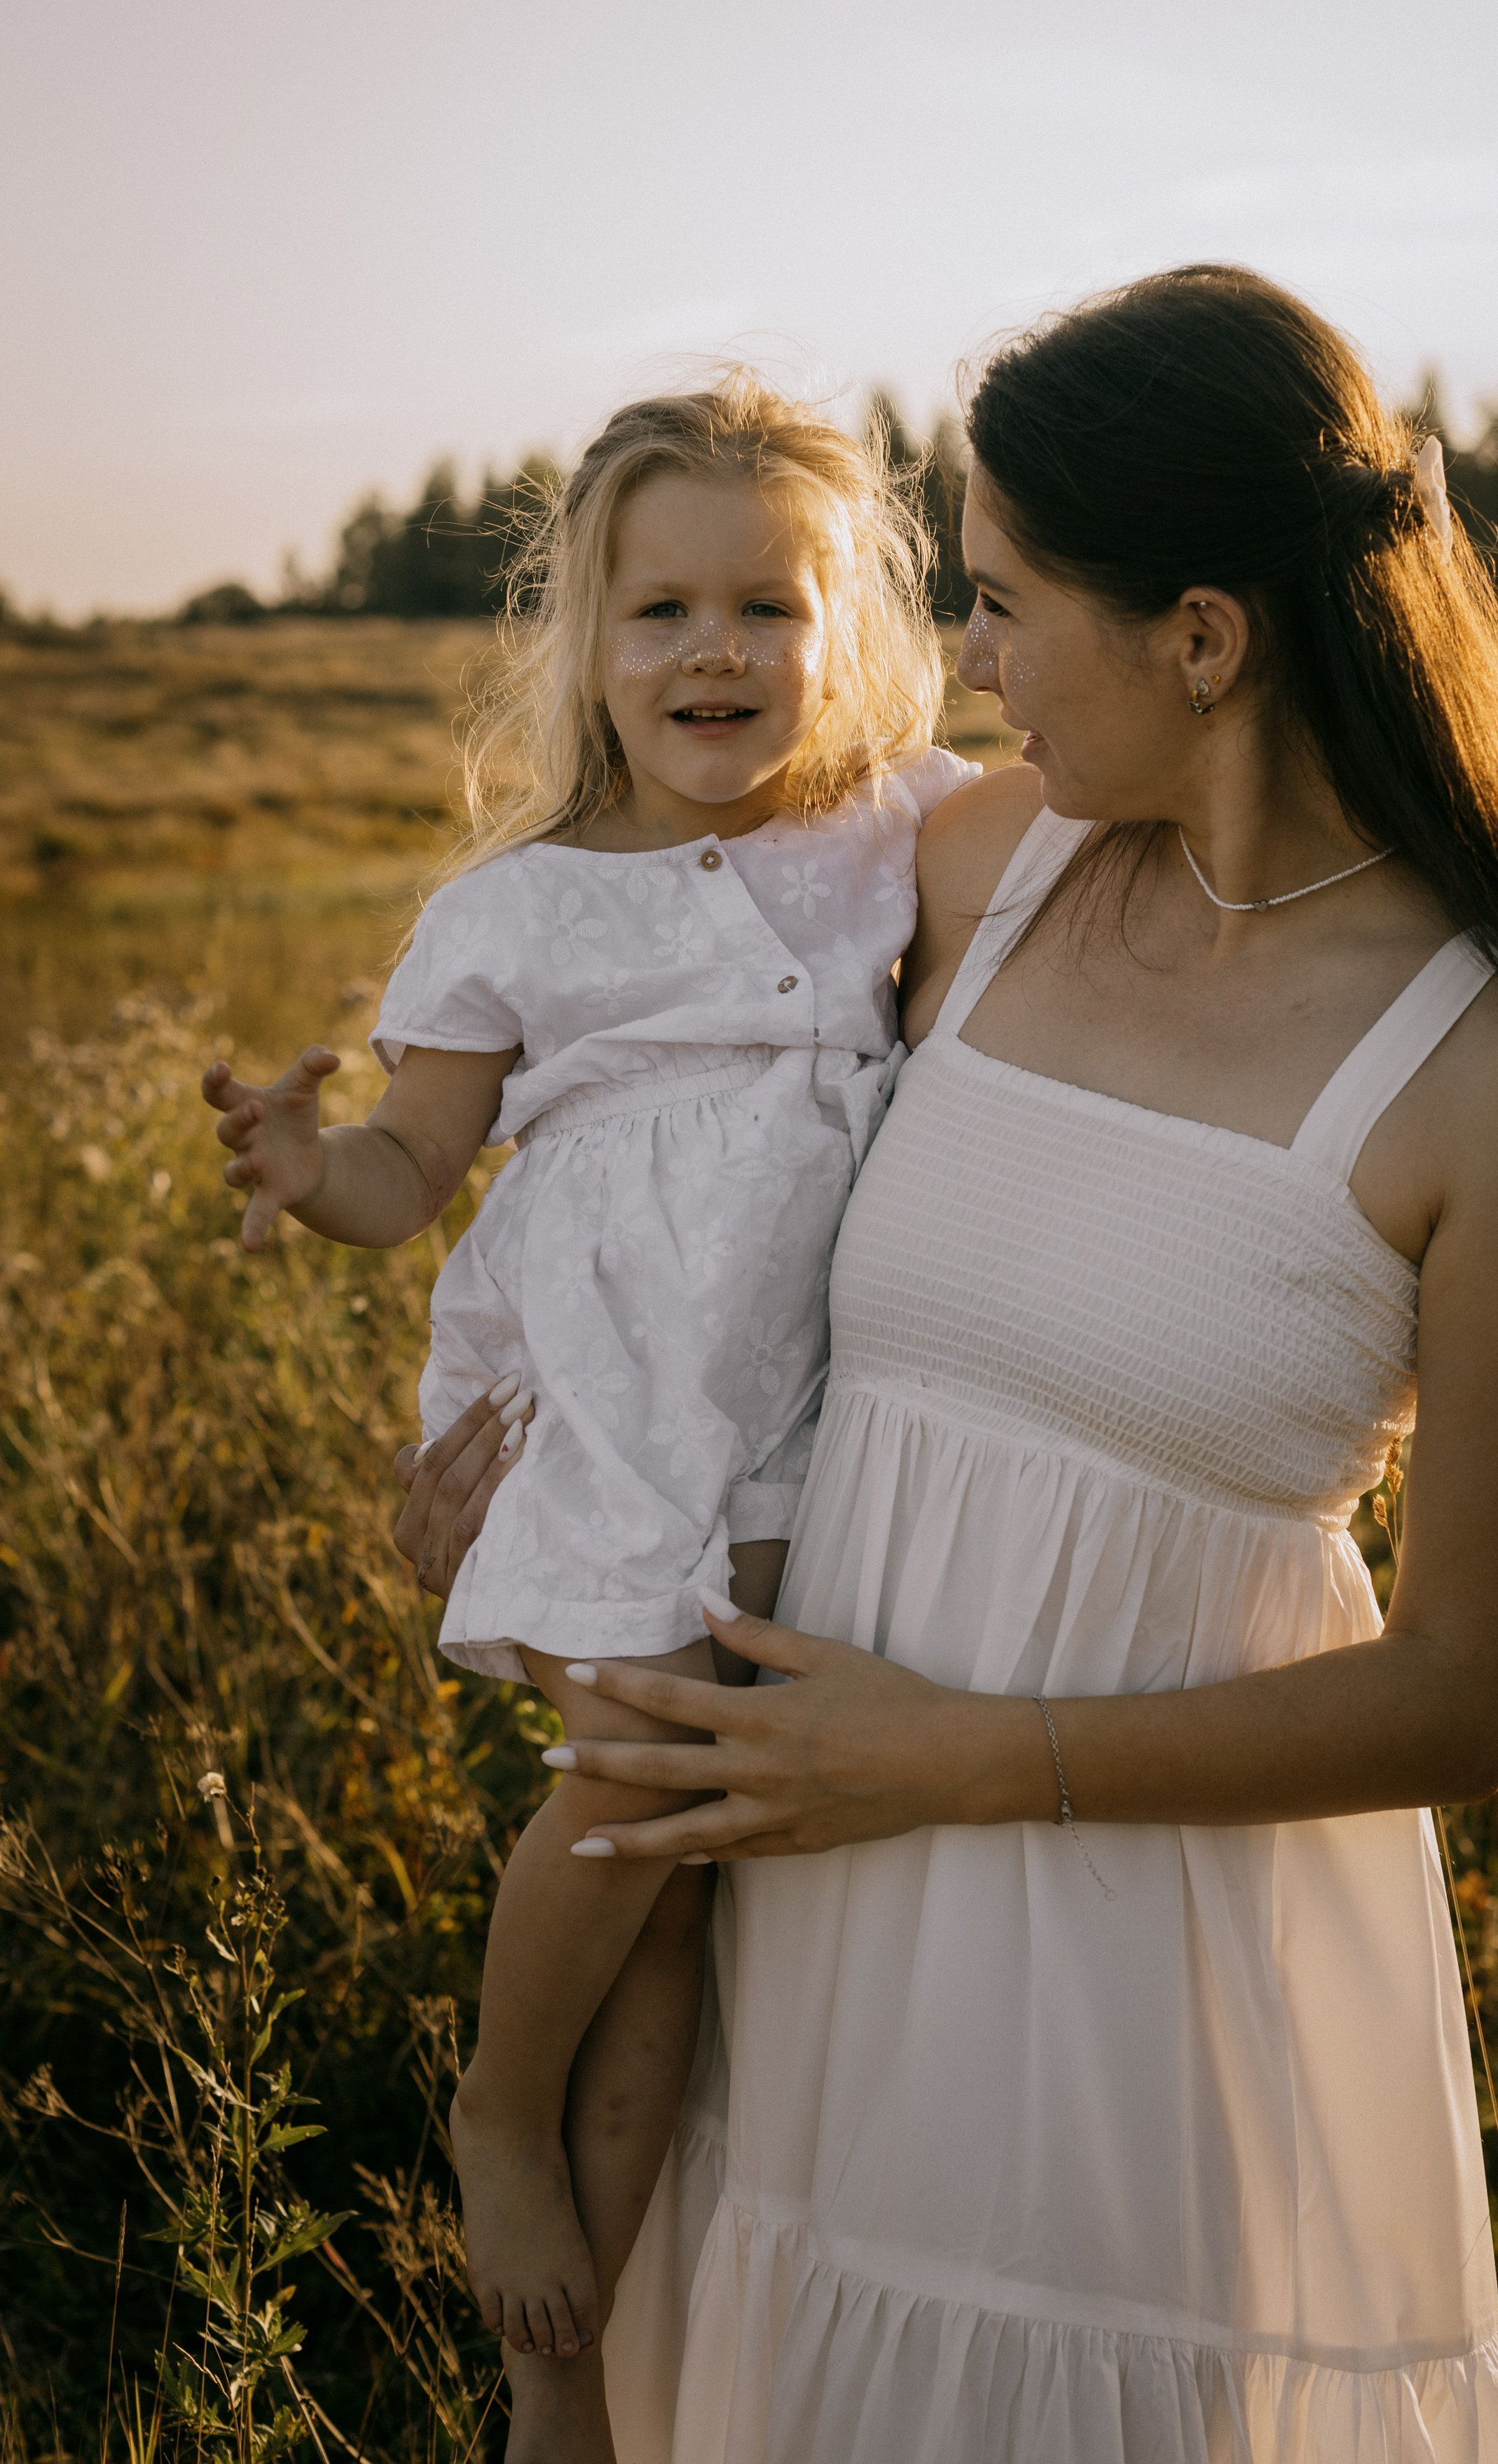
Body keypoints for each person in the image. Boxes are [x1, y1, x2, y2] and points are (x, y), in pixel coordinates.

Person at [404, 268, 1498, 2463]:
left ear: (1204, 635)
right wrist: (517, 1444)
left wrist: (960, 1759)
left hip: (1134, 1953)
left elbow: (1470, 1700)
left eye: (1003, 605)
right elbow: (646, 1099)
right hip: (802, 1882)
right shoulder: (977, 868)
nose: (964, 665)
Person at [200, 375, 973, 2460]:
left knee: (685, 1871)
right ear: (589, 646)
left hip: (782, 1414)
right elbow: (404, 1176)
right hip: (593, 1399)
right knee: (635, 1763)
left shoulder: (897, 828)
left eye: (767, 607)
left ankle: (576, 2387)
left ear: (844, 631)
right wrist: (307, 1165)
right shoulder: (518, 910)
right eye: (662, 613)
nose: (716, 652)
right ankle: (492, 2108)